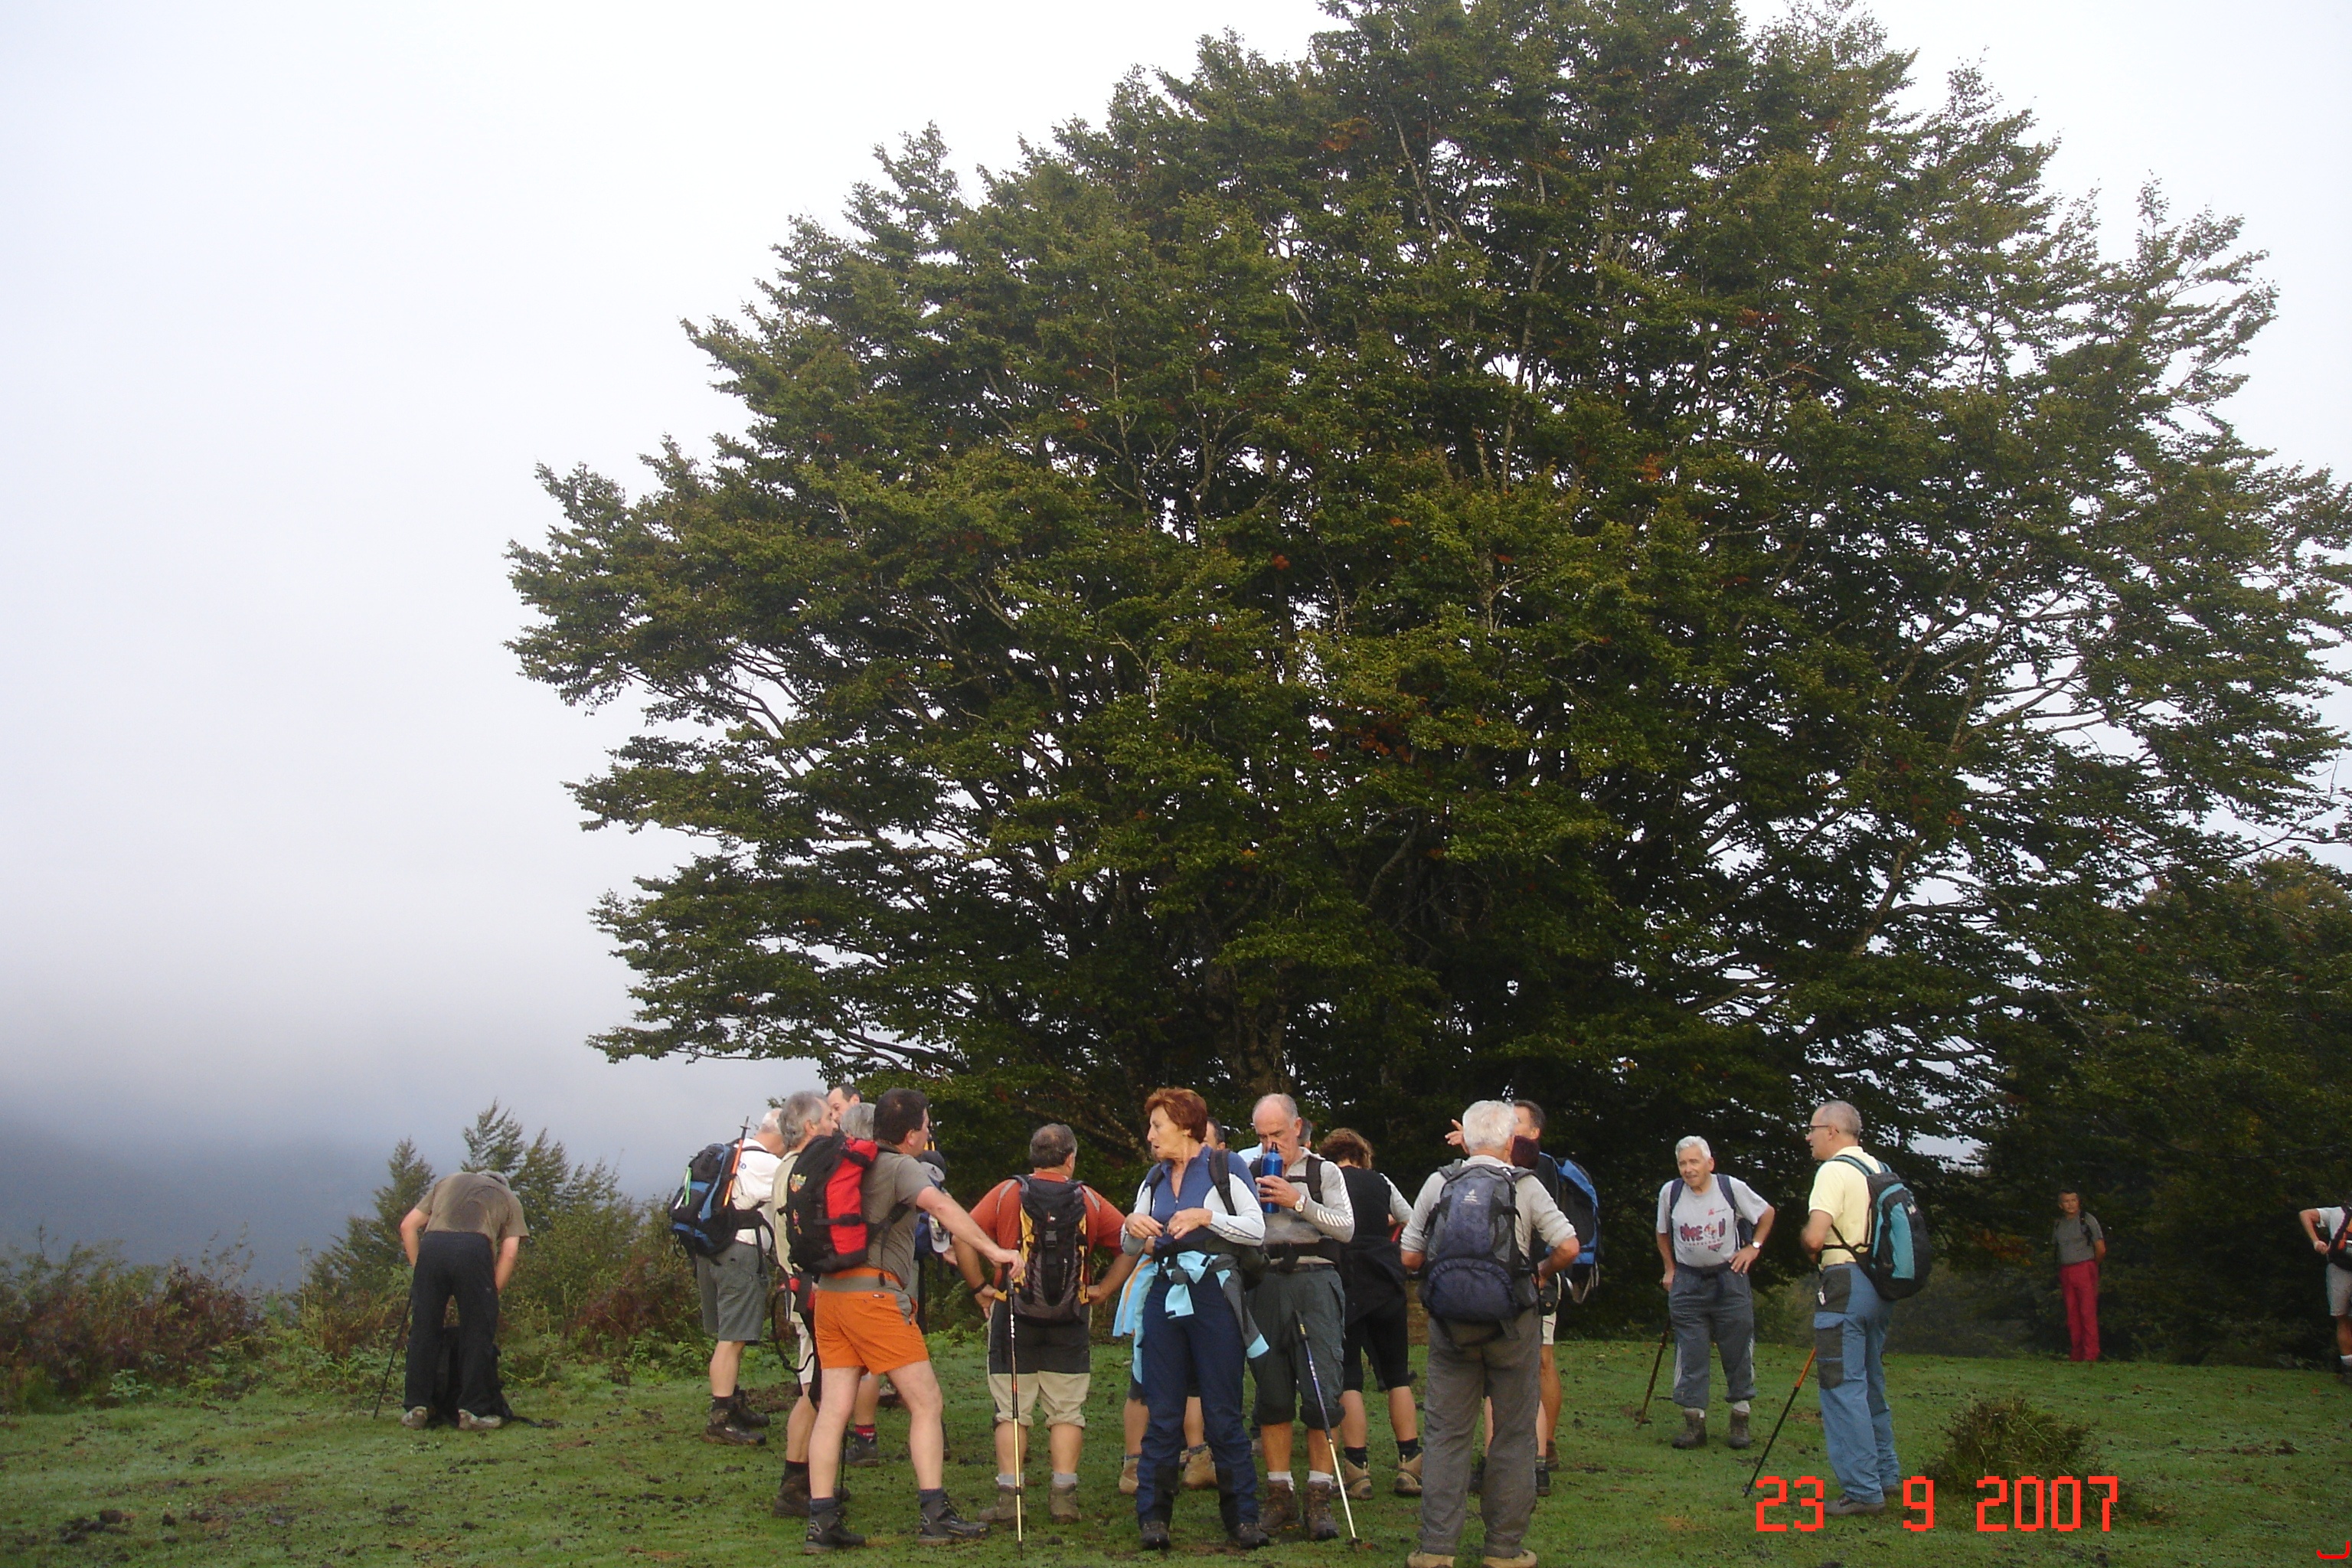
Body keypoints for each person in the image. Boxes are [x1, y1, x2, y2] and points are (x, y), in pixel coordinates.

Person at [802, 1087, 1021, 1549]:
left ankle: (821, 1522)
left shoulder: (848, 1163)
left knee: (834, 1409)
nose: (928, 1132)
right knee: (926, 1403)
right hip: (873, 1298)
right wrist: (994, 1250)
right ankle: (934, 1516)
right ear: (911, 1134)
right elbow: (941, 1207)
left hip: (830, 1296)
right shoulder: (902, 1166)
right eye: (926, 1125)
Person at [1402, 1099, 1579, 1568]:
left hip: (1450, 1329)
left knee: (1446, 1435)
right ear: (1509, 1142)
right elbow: (1568, 1246)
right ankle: (1503, 1550)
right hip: (1513, 1326)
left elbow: (1409, 1256)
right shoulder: (1526, 1184)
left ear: (1467, 1140)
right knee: (1514, 1435)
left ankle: (1436, 1549)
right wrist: (1540, 1273)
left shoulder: (1440, 1182)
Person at [956, 1122, 1138, 1524]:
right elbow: (1132, 1242)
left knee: (1011, 1410)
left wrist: (980, 1288)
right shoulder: (1089, 1199)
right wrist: (1104, 1289)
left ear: (1033, 1156)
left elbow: (962, 1236)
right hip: (1071, 1316)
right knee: (1067, 1411)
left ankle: (1010, 1500)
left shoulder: (1006, 1193)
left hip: (1012, 1312)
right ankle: (1064, 1498)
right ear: (1070, 1158)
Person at [1123, 1086, 1272, 1550]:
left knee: (1223, 1411)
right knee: (1163, 1410)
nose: (1150, 1136)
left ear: (1187, 1127)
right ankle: (1153, 1519)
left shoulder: (1225, 1167)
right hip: (1164, 1294)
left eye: (1158, 1126)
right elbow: (1132, 1243)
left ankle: (1243, 1519)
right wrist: (1131, 1227)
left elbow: (1256, 1228)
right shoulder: (1153, 1178)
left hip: (1213, 1295)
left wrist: (1206, 1217)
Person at [1233, 1093, 1354, 1539]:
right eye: (1262, 1136)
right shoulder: (1245, 1171)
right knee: (1272, 1391)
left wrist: (1298, 1201)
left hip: (1316, 1280)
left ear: (1297, 1127)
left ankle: (1320, 1496)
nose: (1271, 1145)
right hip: (1265, 1282)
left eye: (1278, 1134)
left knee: (1322, 1391)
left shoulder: (1325, 1172)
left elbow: (1347, 1228)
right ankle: (1279, 1492)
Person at [1801, 1099, 1900, 1517]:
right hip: (1879, 1286)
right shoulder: (1877, 1168)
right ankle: (1886, 1475)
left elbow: (1815, 1237)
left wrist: (1808, 1241)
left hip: (1844, 1284)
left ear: (1832, 1131)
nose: (1808, 1137)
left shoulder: (1832, 1172)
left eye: (1812, 1129)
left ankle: (1862, 1491)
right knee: (1870, 1381)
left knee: (1841, 1385)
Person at [1318, 1129, 1422, 1500]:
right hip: (1385, 1277)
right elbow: (1412, 1219)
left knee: (1349, 1378)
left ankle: (1357, 1468)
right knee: (1397, 1375)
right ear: (1362, 1155)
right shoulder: (1381, 1181)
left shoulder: (1325, 1181)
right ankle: (1410, 1462)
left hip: (1345, 1279)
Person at [1654, 1135, 1774, 1450]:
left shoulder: (1730, 1188)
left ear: (1710, 1163)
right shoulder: (1670, 1192)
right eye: (1683, 1163)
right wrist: (1669, 1269)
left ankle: (1740, 1418)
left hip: (1729, 1278)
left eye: (1694, 1162)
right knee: (1690, 1350)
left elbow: (1767, 1213)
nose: (1688, 1169)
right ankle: (1694, 1423)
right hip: (1688, 1281)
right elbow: (1662, 1233)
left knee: (1738, 1345)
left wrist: (1753, 1247)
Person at [397, 1168, 528, 1431]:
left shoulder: (448, 1182)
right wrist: (491, 1295)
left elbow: (407, 1226)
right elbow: (510, 1252)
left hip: (432, 1246)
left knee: (424, 1329)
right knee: (477, 1331)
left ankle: (417, 1408)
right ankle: (472, 1412)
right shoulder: (508, 1197)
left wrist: (420, 1271)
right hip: (474, 1249)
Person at [767, 1089, 838, 1517]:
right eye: (828, 1117)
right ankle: (794, 1485)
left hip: (798, 1289)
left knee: (818, 1387)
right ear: (811, 1126)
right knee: (815, 1390)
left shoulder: (784, 1169)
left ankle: (806, 1480)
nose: (834, 1124)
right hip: (812, 1292)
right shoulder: (802, 1173)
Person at [700, 1109, 787, 1445]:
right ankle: (720, 1417)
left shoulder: (732, 1152)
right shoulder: (768, 1164)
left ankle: (732, 1401)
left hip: (711, 1250)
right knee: (733, 1338)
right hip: (740, 1253)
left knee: (728, 1333)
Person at [2295, 1198, 2352, 1384]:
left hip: (2338, 1270)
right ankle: (2348, 1369)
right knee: (2342, 1317)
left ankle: (2348, 1370)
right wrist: (2316, 1241)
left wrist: (2316, 1242)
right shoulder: (2338, 1213)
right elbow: (2305, 1214)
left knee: (2342, 1319)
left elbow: (2305, 1214)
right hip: (2339, 1268)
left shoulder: (2337, 1213)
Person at [2054, 1188, 2106, 1364]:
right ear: (2061, 1205)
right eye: (2066, 1201)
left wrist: (2092, 1266)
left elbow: (2100, 1248)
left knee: (2087, 1312)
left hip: (2084, 1267)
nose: (2070, 1205)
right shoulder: (2059, 1224)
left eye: (2073, 1200)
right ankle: (2076, 1354)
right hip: (2066, 1270)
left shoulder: (2087, 1219)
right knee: (2072, 1314)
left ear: (2078, 1202)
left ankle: (2091, 1354)